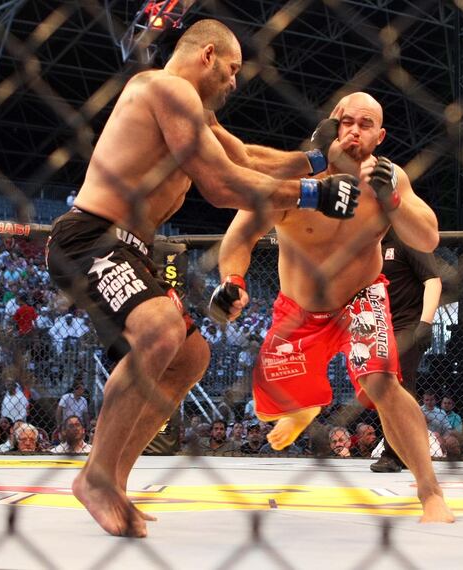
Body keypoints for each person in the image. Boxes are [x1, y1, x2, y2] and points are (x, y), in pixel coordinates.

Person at [44, 19, 360, 537]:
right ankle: (96, 476)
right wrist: (314, 194)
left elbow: (249, 159)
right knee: (161, 330)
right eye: (233, 70)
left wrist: (320, 160)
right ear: (207, 55)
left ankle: (116, 482)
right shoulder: (165, 88)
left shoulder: (195, 114)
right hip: (91, 236)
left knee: (191, 357)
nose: (236, 83)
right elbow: (220, 184)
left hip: (134, 248)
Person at [215, 92, 453, 522]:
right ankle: (303, 405)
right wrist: (233, 281)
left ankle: (430, 491)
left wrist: (393, 200)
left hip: (360, 299)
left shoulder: (389, 177)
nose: (355, 131)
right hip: (299, 310)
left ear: (379, 136)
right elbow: (240, 236)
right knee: (270, 404)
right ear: (332, 126)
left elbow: (429, 238)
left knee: (383, 384)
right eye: (347, 122)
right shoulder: (297, 182)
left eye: (366, 124)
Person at [370, 228, 442, 472]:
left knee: (398, 383)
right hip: (377, 324)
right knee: (382, 387)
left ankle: (395, 453)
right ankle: (401, 449)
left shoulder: (408, 237)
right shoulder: (364, 243)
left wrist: (426, 323)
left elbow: (432, 280)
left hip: (407, 324)